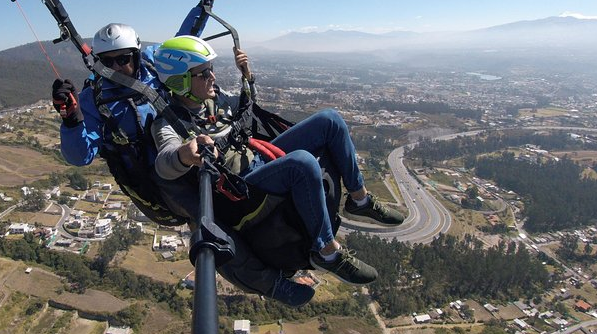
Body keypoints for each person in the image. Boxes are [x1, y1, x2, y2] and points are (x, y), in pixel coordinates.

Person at [52, 23, 311, 307]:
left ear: (136, 55)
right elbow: (79, 156)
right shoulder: (94, 100)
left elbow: (180, 42)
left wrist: (203, 3)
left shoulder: (151, 65)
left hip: (192, 149)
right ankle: (269, 284)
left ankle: (297, 242)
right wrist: (71, 119)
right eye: (107, 61)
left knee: (250, 181)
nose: (117, 66)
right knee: (207, 220)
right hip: (159, 180)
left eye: (123, 58)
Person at [151, 35, 405, 287]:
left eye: (211, 70)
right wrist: (185, 154)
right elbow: (164, 161)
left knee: (330, 120)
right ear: (180, 81)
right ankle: (327, 252)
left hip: (258, 158)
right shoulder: (170, 123)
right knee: (302, 163)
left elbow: (248, 104)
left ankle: (360, 199)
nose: (213, 77)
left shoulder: (214, 99)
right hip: (241, 188)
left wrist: (247, 74)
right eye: (204, 74)